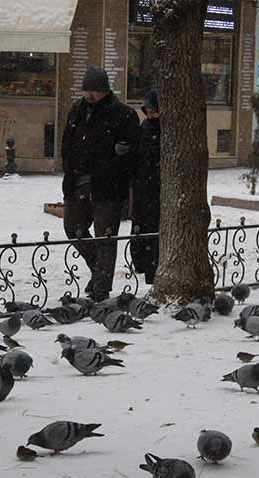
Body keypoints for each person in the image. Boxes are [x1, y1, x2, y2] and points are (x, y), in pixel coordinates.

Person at [61, 67, 141, 302]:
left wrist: (119, 158)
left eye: (94, 92)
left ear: (104, 90)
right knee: (73, 228)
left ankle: (101, 288)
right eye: (87, 91)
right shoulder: (77, 110)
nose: (89, 96)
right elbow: (67, 141)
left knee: (105, 237)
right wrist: (69, 165)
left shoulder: (123, 114)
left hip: (107, 186)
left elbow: (132, 152)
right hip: (77, 181)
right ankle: (100, 272)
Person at [130, 90, 161, 284]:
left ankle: (152, 268)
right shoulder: (145, 127)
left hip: (155, 188)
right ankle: (144, 265)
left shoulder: (163, 129)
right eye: (148, 110)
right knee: (142, 230)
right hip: (144, 186)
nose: (150, 114)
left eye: (153, 110)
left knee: (153, 232)